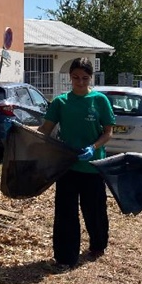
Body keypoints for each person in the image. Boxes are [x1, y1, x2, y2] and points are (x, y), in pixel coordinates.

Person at [37, 58, 116, 269]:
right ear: (69, 77)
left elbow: (108, 132)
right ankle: (65, 257)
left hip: (93, 166)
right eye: (76, 78)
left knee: (94, 210)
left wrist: (94, 146)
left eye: (85, 78)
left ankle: (98, 245)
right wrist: (18, 131)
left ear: (91, 78)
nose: (80, 82)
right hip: (67, 167)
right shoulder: (60, 102)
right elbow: (45, 129)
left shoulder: (99, 101)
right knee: (65, 212)